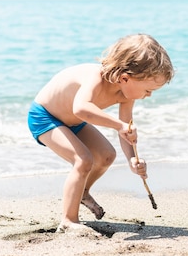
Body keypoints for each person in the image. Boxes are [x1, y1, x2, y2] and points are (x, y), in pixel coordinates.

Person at [27, 34, 174, 232]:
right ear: (125, 78)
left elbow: (125, 128)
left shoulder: (126, 94)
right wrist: (119, 126)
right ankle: (68, 221)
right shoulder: (95, 78)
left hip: (74, 122)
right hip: (45, 117)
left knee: (106, 156)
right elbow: (81, 108)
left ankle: (83, 192)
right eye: (148, 90)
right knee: (83, 160)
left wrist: (132, 159)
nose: (149, 96)